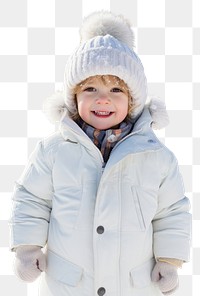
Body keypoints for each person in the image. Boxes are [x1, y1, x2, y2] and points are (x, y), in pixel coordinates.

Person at [10, 10, 191, 296]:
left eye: (116, 89)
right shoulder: (54, 151)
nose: (103, 98)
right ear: (74, 98)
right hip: (69, 285)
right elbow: (31, 199)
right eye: (90, 88)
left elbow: (171, 211)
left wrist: (169, 260)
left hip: (133, 286)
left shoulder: (156, 157)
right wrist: (27, 247)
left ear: (132, 100)